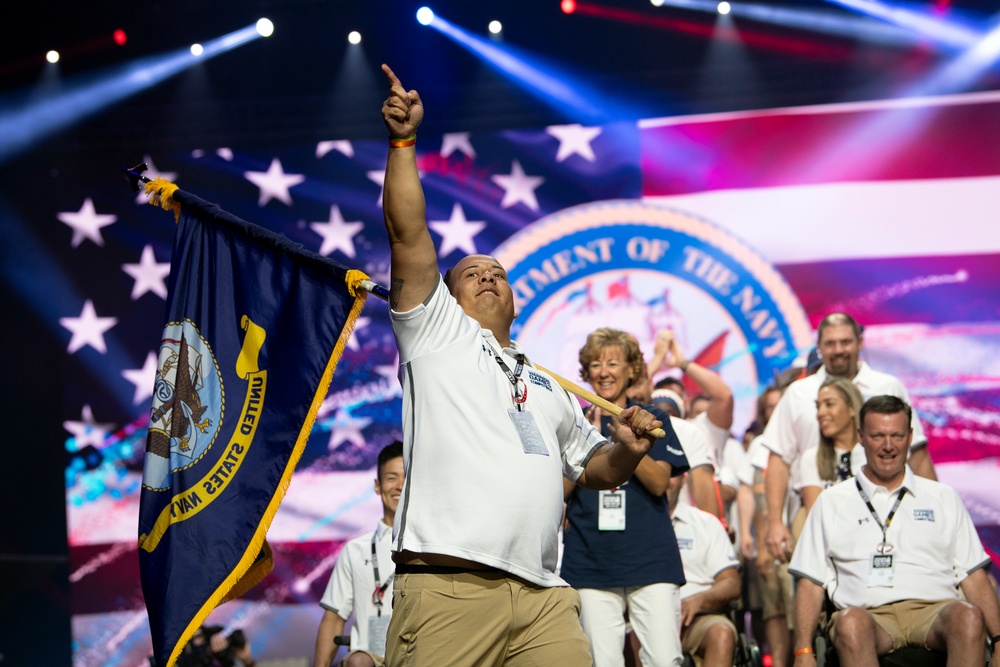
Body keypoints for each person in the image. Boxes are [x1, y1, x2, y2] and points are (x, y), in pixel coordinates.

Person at [378, 64, 663, 667]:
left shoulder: (551, 382)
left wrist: (631, 447)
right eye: (470, 274)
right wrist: (403, 145)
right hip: (449, 588)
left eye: (496, 273)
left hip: (543, 599)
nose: (485, 276)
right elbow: (408, 236)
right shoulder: (434, 335)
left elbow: (596, 469)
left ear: (514, 298)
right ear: (447, 299)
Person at [788, 395, 1000, 666]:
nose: (888, 446)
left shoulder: (942, 496)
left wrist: (999, 641)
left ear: (910, 437)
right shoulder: (831, 501)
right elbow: (810, 580)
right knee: (851, 624)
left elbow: (973, 575)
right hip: (868, 616)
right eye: (878, 436)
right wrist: (803, 652)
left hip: (934, 612)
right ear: (861, 437)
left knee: (969, 617)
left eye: (896, 436)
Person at [763, 313, 937, 564]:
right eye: (830, 344)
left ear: (860, 342)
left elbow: (917, 453)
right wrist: (775, 522)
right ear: (819, 347)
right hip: (813, 508)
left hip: (887, 509)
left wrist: (931, 510)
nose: (838, 350)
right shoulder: (798, 393)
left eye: (845, 342)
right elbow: (778, 458)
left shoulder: (888, 386)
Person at [562, 328, 689, 667]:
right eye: (595, 364)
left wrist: (627, 443)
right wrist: (588, 437)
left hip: (650, 560)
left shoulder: (654, 419)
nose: (604, 371)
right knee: (601, 662)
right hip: (590, 563)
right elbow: (558, 492)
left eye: (613, 363)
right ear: (586, 373)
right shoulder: (572, 422)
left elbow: (661, 482)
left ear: (631, 370)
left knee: (664, 660)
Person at [314, 442, 405, 667]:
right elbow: (333, 619)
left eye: (407, 478)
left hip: (418, 655)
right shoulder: (356, 550)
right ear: (377, 485)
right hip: (370, 658)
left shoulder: (433, 546)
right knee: (358, 662)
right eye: (391, 478)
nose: (399, 486)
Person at [669, 473, 741, 667]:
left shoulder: (706, 523)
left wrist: (699, 600)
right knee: (627, 636)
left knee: (722, 633)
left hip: (699, 617)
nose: (664, 479)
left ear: (684, 478)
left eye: (671, 474)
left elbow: (731, 583)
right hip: (644, 615)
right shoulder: (630, 523)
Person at [793, 378, 865, 515]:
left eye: (829, 404)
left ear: (852, 409)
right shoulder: (811, 459)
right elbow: (815, 516)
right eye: (818, 406)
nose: (820, 413)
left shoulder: (871, 454)